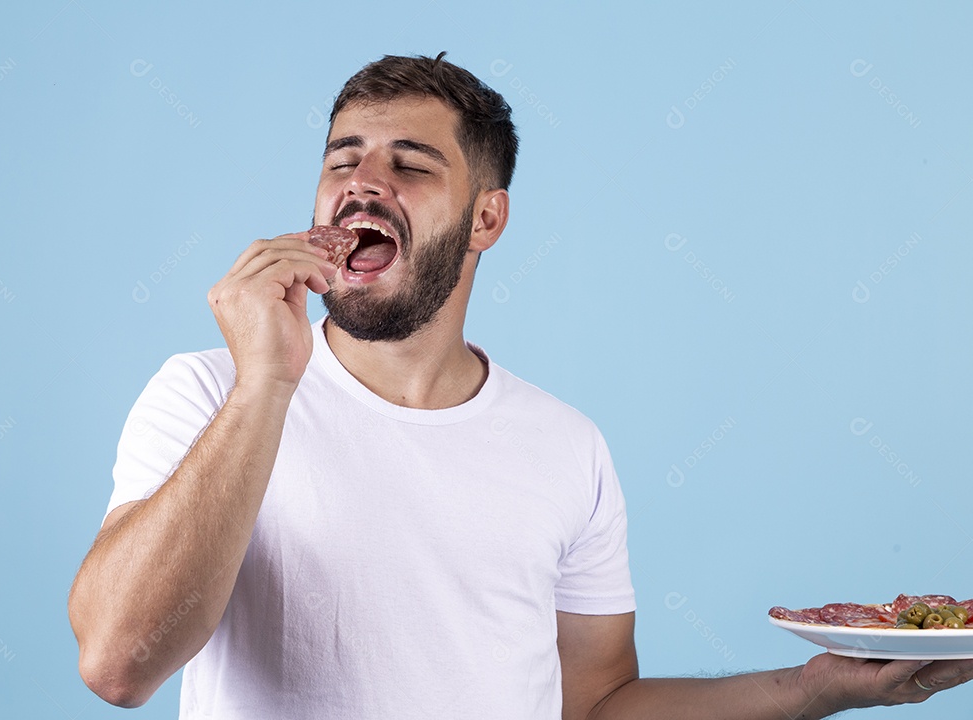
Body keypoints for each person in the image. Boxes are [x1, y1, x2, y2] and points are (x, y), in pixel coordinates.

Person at [68, 52, 973, 718]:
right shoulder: (205, 394)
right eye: (342, 160)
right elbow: (118, 664)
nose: (362, 185)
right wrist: (266, 382)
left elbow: (596, 703)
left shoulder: (566, 447)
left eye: (411, 165)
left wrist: (814, 690)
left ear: (486, 219)